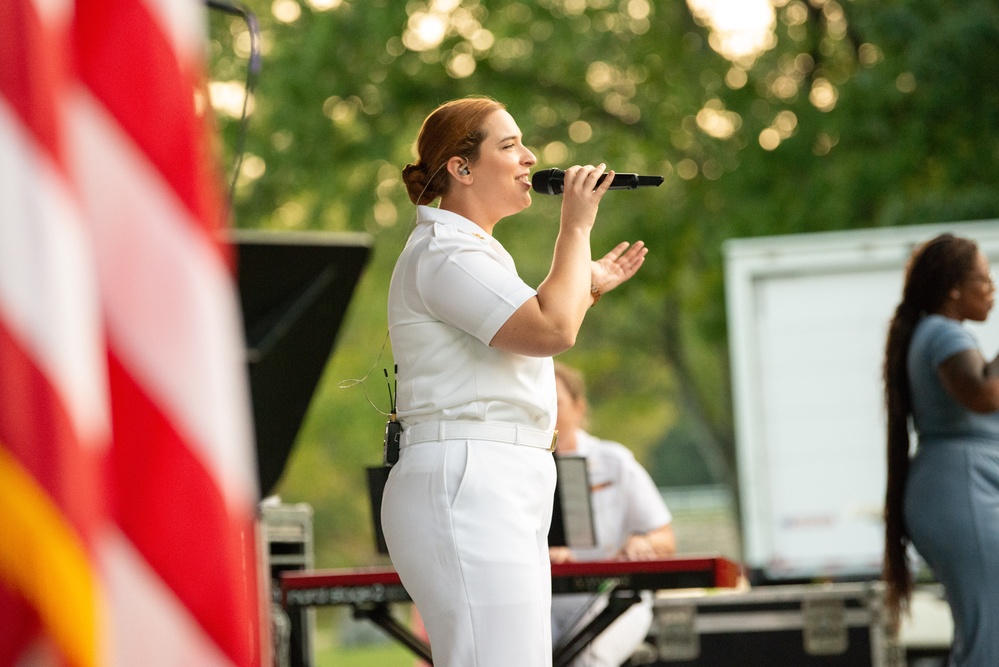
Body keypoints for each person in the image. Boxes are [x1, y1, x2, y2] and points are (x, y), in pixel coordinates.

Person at [380, 96, 648, 667]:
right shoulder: (445, 252)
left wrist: (587, 286)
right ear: (462, 167)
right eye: (509, 145)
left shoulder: (472, 250)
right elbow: (551, 329)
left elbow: (531, 334)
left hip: (496, 476)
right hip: (469, 475)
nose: (529, 157)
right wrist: (575, 228)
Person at [883, 233, 999, 666]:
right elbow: (984, 393)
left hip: (961, 488)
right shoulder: (942, 332)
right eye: (984, 280)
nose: (992, 290)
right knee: (990, 642)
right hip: (963, 491)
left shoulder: (938, 332)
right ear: (953, 287)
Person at [549, 362, 675, 667]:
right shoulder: (518, 469)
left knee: (589, 661)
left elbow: (665, 538)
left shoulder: (614, 461)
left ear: (579, 408)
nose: (547, 411)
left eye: (556, 402)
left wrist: (643, 544)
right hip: (544, 602)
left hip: (612, 600)